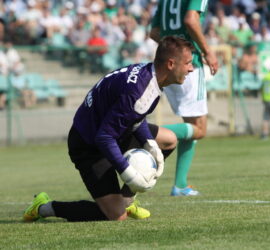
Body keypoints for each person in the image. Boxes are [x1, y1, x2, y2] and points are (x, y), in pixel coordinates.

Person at [23, 36, 194, 222]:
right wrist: (129, 173)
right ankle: (43, 207)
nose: (191, 69)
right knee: (116, 216)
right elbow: (104, 137)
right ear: (170, 64)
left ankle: (127, 202)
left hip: (112, 133)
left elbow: (135, 117)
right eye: (188, 63)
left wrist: (150, 143)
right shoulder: (139, 89)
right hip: (88, 144)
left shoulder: (150, 76)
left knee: (168, 140)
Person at [150, 0, 218, 196]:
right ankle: (139, 131)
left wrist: (174, 51)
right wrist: (207, 51)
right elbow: (191, 20)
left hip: (168, 65)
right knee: (200, 129)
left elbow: (154, 32)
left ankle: (180, 185)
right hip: (189, 66)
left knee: (191, 126)